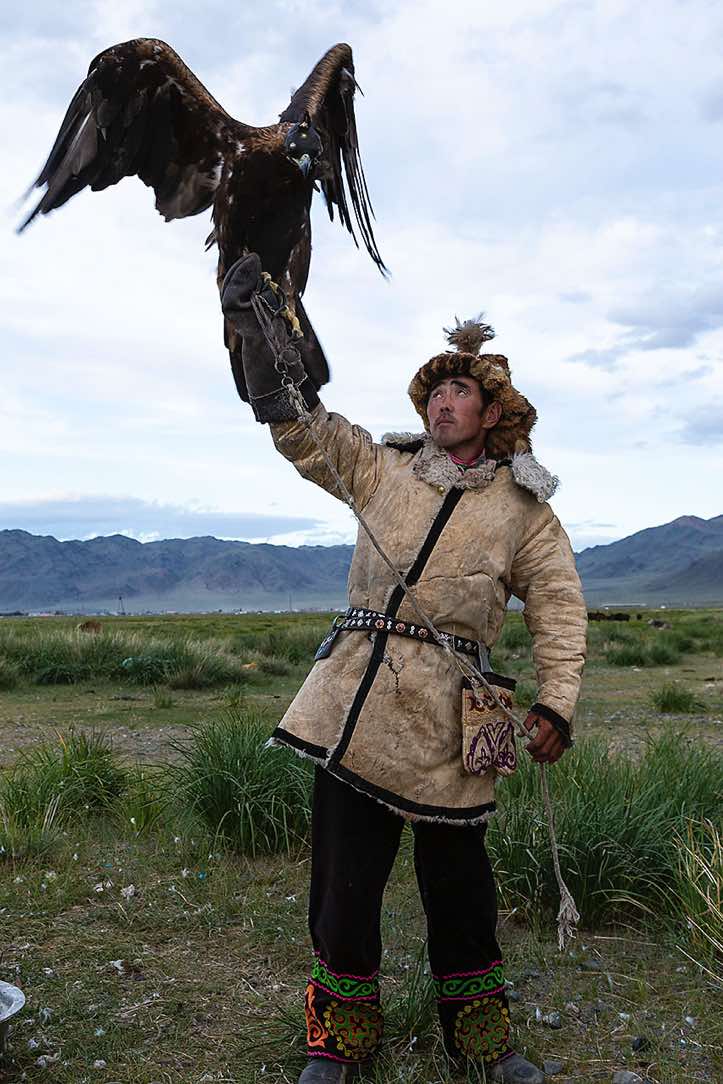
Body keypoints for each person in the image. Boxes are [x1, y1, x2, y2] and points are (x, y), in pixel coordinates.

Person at [221, 254, 588, 1083]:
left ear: (492, 412)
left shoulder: (524, 509)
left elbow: (559, 607)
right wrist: (262, 342)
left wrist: (555, 703)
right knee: (344, 884)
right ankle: (339, 1045)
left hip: (464, 716)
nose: (441, 402)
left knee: (460, 888)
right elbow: (304, 431)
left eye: (459, 393)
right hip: (356, 697)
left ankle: (484, 1047)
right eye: (433, 393)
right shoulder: (381, 467)